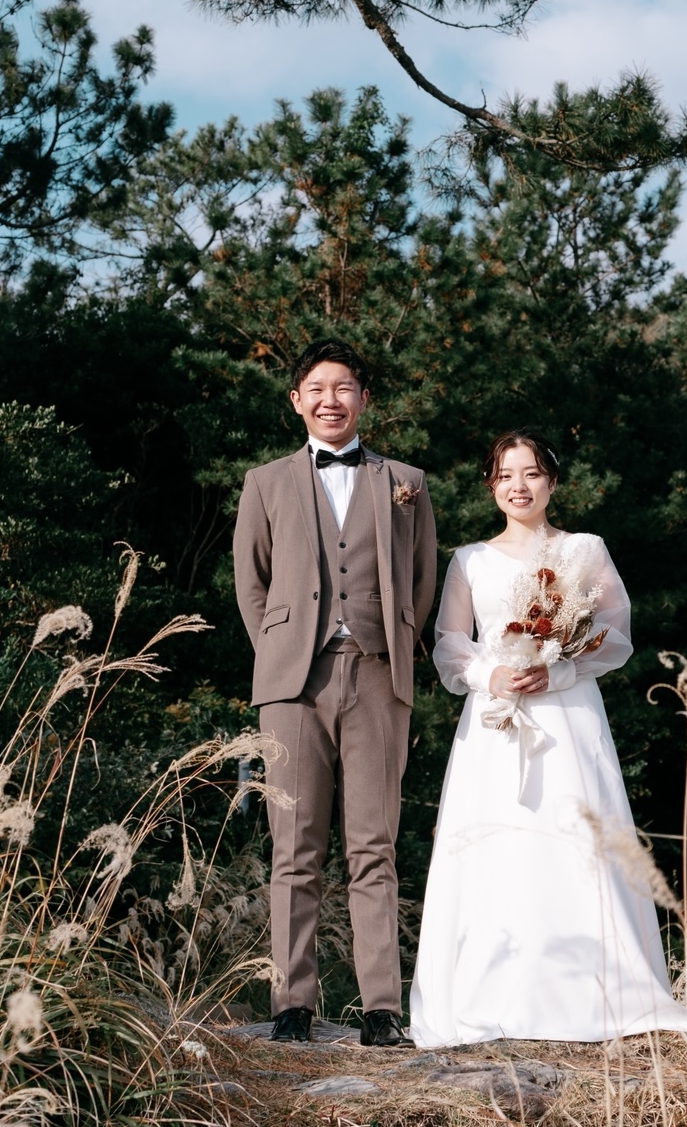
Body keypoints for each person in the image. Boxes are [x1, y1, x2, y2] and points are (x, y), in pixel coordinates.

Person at [408, 430, 687, 1046]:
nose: (519, 486)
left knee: (577, 837)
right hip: (496, 721)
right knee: (497, 840)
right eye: (506, 475)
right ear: (491, 485)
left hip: (568, 714)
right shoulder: (469, 560)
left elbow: (615, 633)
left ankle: (596, 991)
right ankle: (492, 991)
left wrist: (559, 669)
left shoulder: (584, 550)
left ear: (552, 482)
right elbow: (450, 643)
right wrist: (491, 675)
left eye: (532, 473)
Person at [232, 338, 437, 1046]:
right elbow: (251, 583)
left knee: (374, 846)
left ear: (363, 399)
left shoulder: (406, 482)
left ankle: (381, 1010)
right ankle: (293, 1003)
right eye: (316, 389)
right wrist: (283, 653)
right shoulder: (264, 482)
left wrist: (392, 643)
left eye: (343, 387)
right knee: (294, 846)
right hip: (293, 684)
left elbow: (421, 580)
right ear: (296, 400)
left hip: (378, 673)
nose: (330, 400)